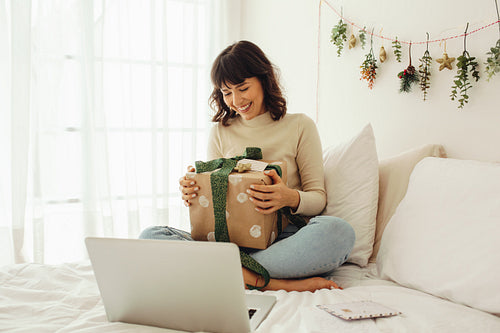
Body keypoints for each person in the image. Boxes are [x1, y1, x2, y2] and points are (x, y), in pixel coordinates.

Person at [140, 40, 355, 292]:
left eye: (243, 88)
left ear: (264, 80)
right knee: (150, 236)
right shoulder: (221, 132)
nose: (236, 100)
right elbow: (213, 203)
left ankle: (222, 271)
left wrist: (289, 197)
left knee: (339, 232)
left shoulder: (300, 126)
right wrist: (194, 193)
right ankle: (270, 282)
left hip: (283, 240)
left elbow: (318, 198)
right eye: (226, 92)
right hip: (230, 241)